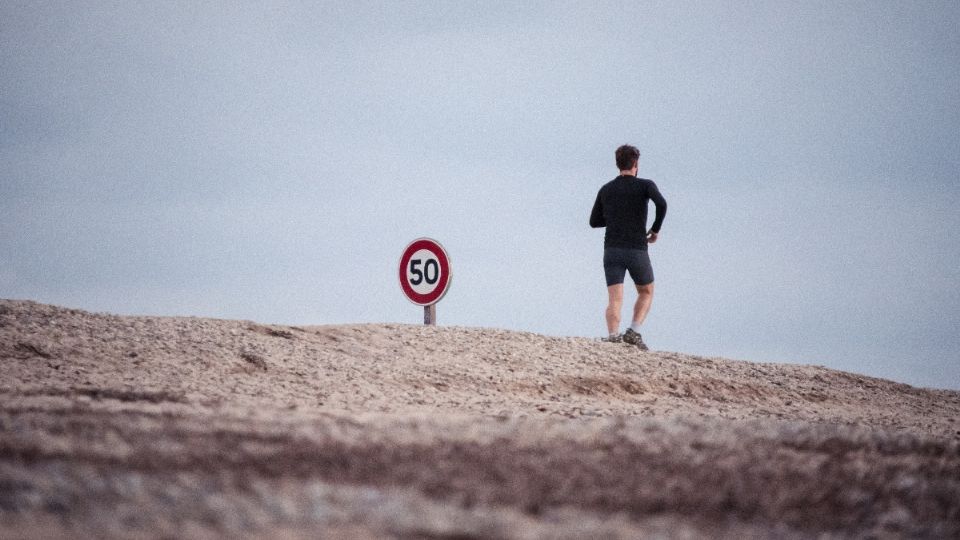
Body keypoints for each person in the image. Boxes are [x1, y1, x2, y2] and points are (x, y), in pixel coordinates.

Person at [589, 144, 667, 350]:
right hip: (636, 249)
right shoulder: (645, 185)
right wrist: (655, 229)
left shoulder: (606, 189)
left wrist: (616, 217)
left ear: (618, 164)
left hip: (612, 249)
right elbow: (662, 204)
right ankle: (633, 331)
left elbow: (594, 221)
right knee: (646, 291)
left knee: (615, 297)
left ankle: (613, 335)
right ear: (636, 164)